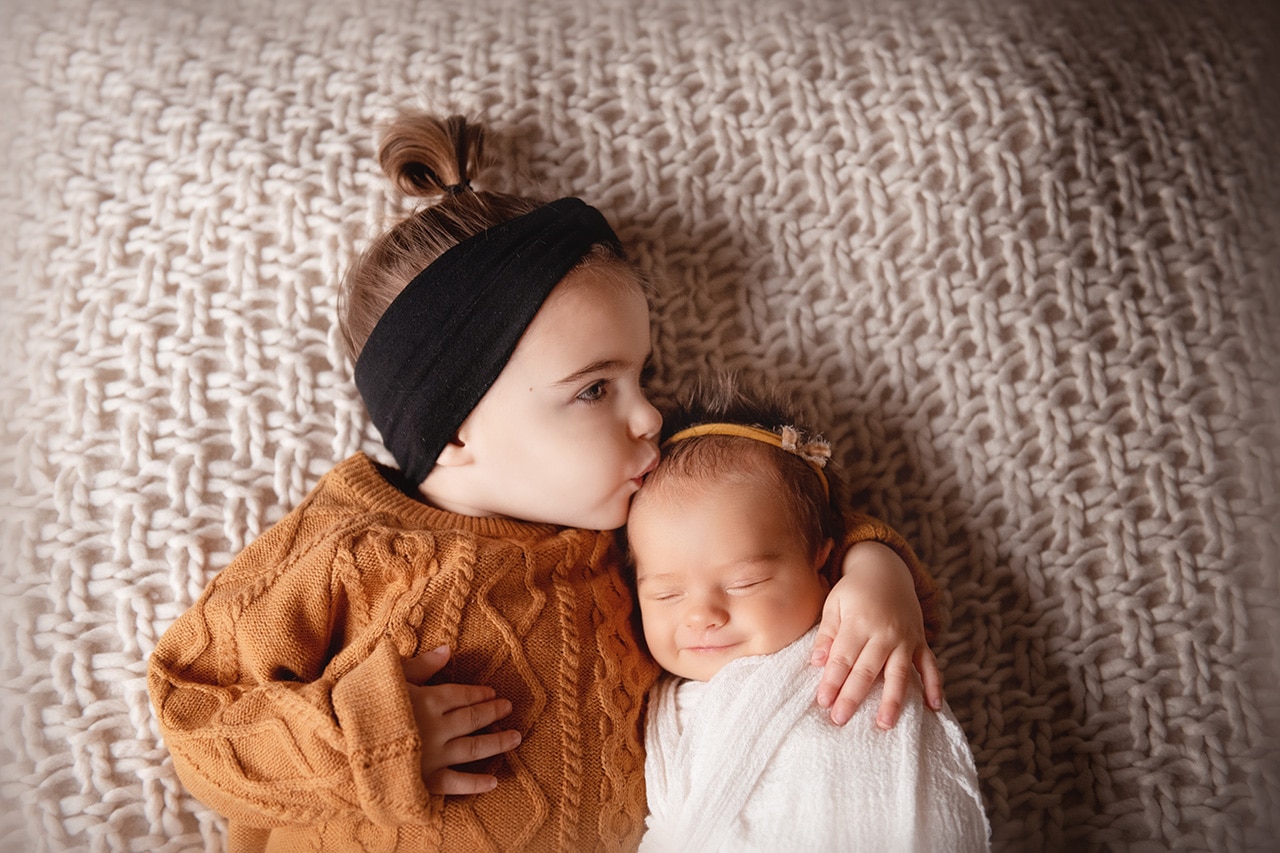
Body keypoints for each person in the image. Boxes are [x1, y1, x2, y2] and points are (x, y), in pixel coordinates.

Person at [147, 112, 942, 853]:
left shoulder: (635, 527)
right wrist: (365, 734)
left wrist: (876, 569)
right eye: (596, 389)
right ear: (455, 427)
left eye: (643, 377)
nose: (650, 416)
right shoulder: (348, 543)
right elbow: (192, 709)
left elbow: (773, 526)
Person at [626, 379, 990, 853]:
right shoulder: (658, 698)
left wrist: (880, 570)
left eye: (744, 583)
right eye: (666, 594)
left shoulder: (854, 630)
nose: (701, 616)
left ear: (823, 562)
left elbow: (890, 610)